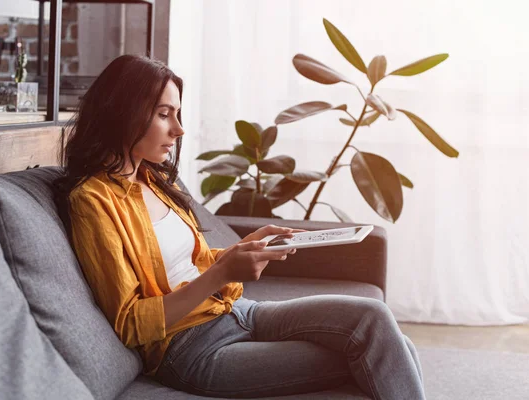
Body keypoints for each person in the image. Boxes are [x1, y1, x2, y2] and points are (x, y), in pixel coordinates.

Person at [57, 55, 425, 399]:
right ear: (124, 113)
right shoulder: (93, 201)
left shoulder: (153, 181)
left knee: (375, 320)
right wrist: (221, 274)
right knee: (388, 350)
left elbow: (187, 263)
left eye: (178, 113)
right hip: (191, 349)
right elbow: (130, 324)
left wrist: (241, 250)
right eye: (164, 114)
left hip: (237, 310)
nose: (179, 129)